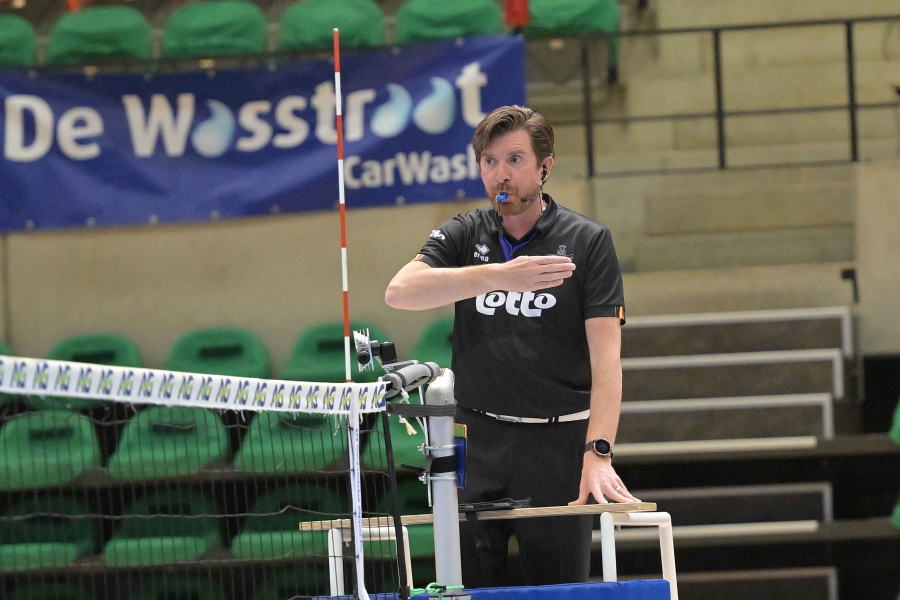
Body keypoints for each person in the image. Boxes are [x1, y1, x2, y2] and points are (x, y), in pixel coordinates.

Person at [385, 105, 637, 588]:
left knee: (558, 591)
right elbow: (400, 292)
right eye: (489, 161)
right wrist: (501, 276)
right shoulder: (464, 233)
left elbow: (607, 360)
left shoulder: (588, 241)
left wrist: (599, 452)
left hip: (557, 446)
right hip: (475, 440)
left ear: (545, 167)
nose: (501, 174)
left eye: (515, 160)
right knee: (465, 589)